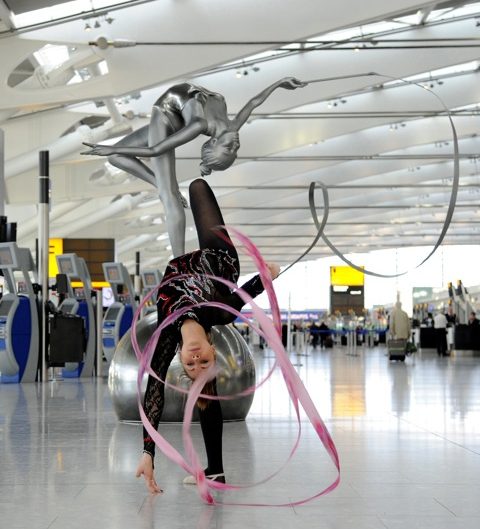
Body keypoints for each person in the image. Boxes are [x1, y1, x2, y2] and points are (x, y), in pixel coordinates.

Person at [135, 178, 280, 494]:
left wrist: (148, 452)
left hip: (179, 267)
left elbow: (153, 396)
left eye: (192, 366)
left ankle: (215, 471)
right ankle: (216, 470)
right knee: (198, 186)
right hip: (218, 260)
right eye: (205, 363)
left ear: (182, 359)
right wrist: (267, 276)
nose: (197, 360)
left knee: (203, 394)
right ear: (214, 350)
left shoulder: (167, 334)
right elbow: (243, 294)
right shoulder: (221, 313)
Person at [81, 77, 307, 256]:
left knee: (166, 193)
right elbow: (254, 103)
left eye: (229, 150)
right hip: (174, 108)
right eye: (233, 151)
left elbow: (154, 151)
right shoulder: (231, 126)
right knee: (123, 163)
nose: (235, 146)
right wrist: (279, 84)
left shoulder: (199, 125)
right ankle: (162, 186)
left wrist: (111, 147)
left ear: (214, 142)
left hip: (166, 115)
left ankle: (178, 261)